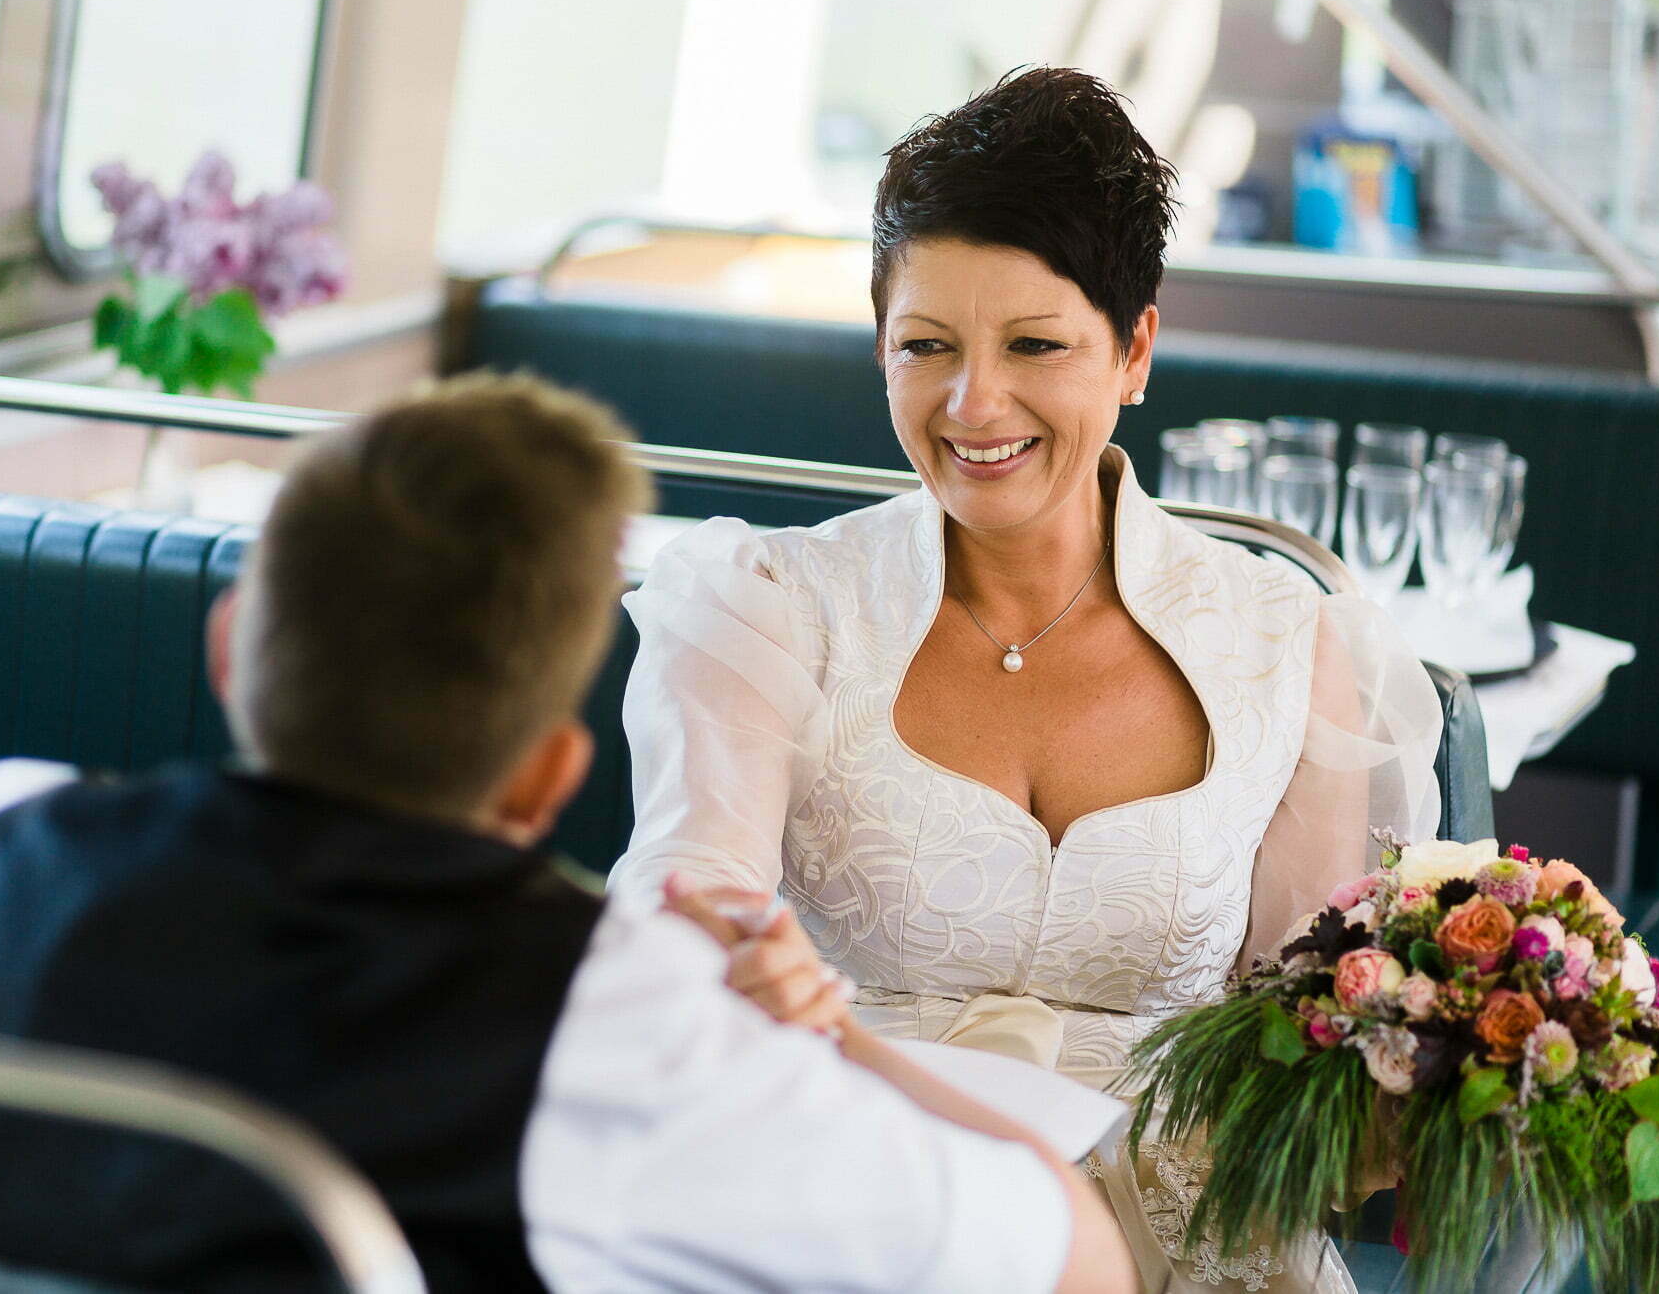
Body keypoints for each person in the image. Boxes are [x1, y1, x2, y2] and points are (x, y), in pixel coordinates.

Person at [0, 376, 1135, 1294]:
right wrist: (832, 1035)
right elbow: (1070, 1262)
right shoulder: (609, 1014)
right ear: (550, 776)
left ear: (226, 650)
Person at [606, 68, 1444, 1294]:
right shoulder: (762, 608)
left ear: (1134, 350)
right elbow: (689, 904)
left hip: (1201, 1242)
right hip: (874, 1212)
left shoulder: (1284, 638)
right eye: (925, 347)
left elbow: (1304, 1017)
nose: (970, 403)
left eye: (1035, 345)